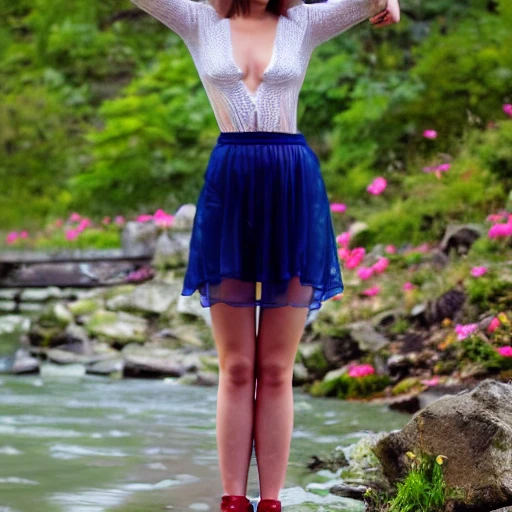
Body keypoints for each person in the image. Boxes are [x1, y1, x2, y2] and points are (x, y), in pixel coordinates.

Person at [128, 0, 400, 510]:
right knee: (235, 368)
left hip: (291, 189)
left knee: (275, 367)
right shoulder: (197, 19)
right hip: (230, 188)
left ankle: (271, 503)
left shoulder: (304, 21)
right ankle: (233, 501)